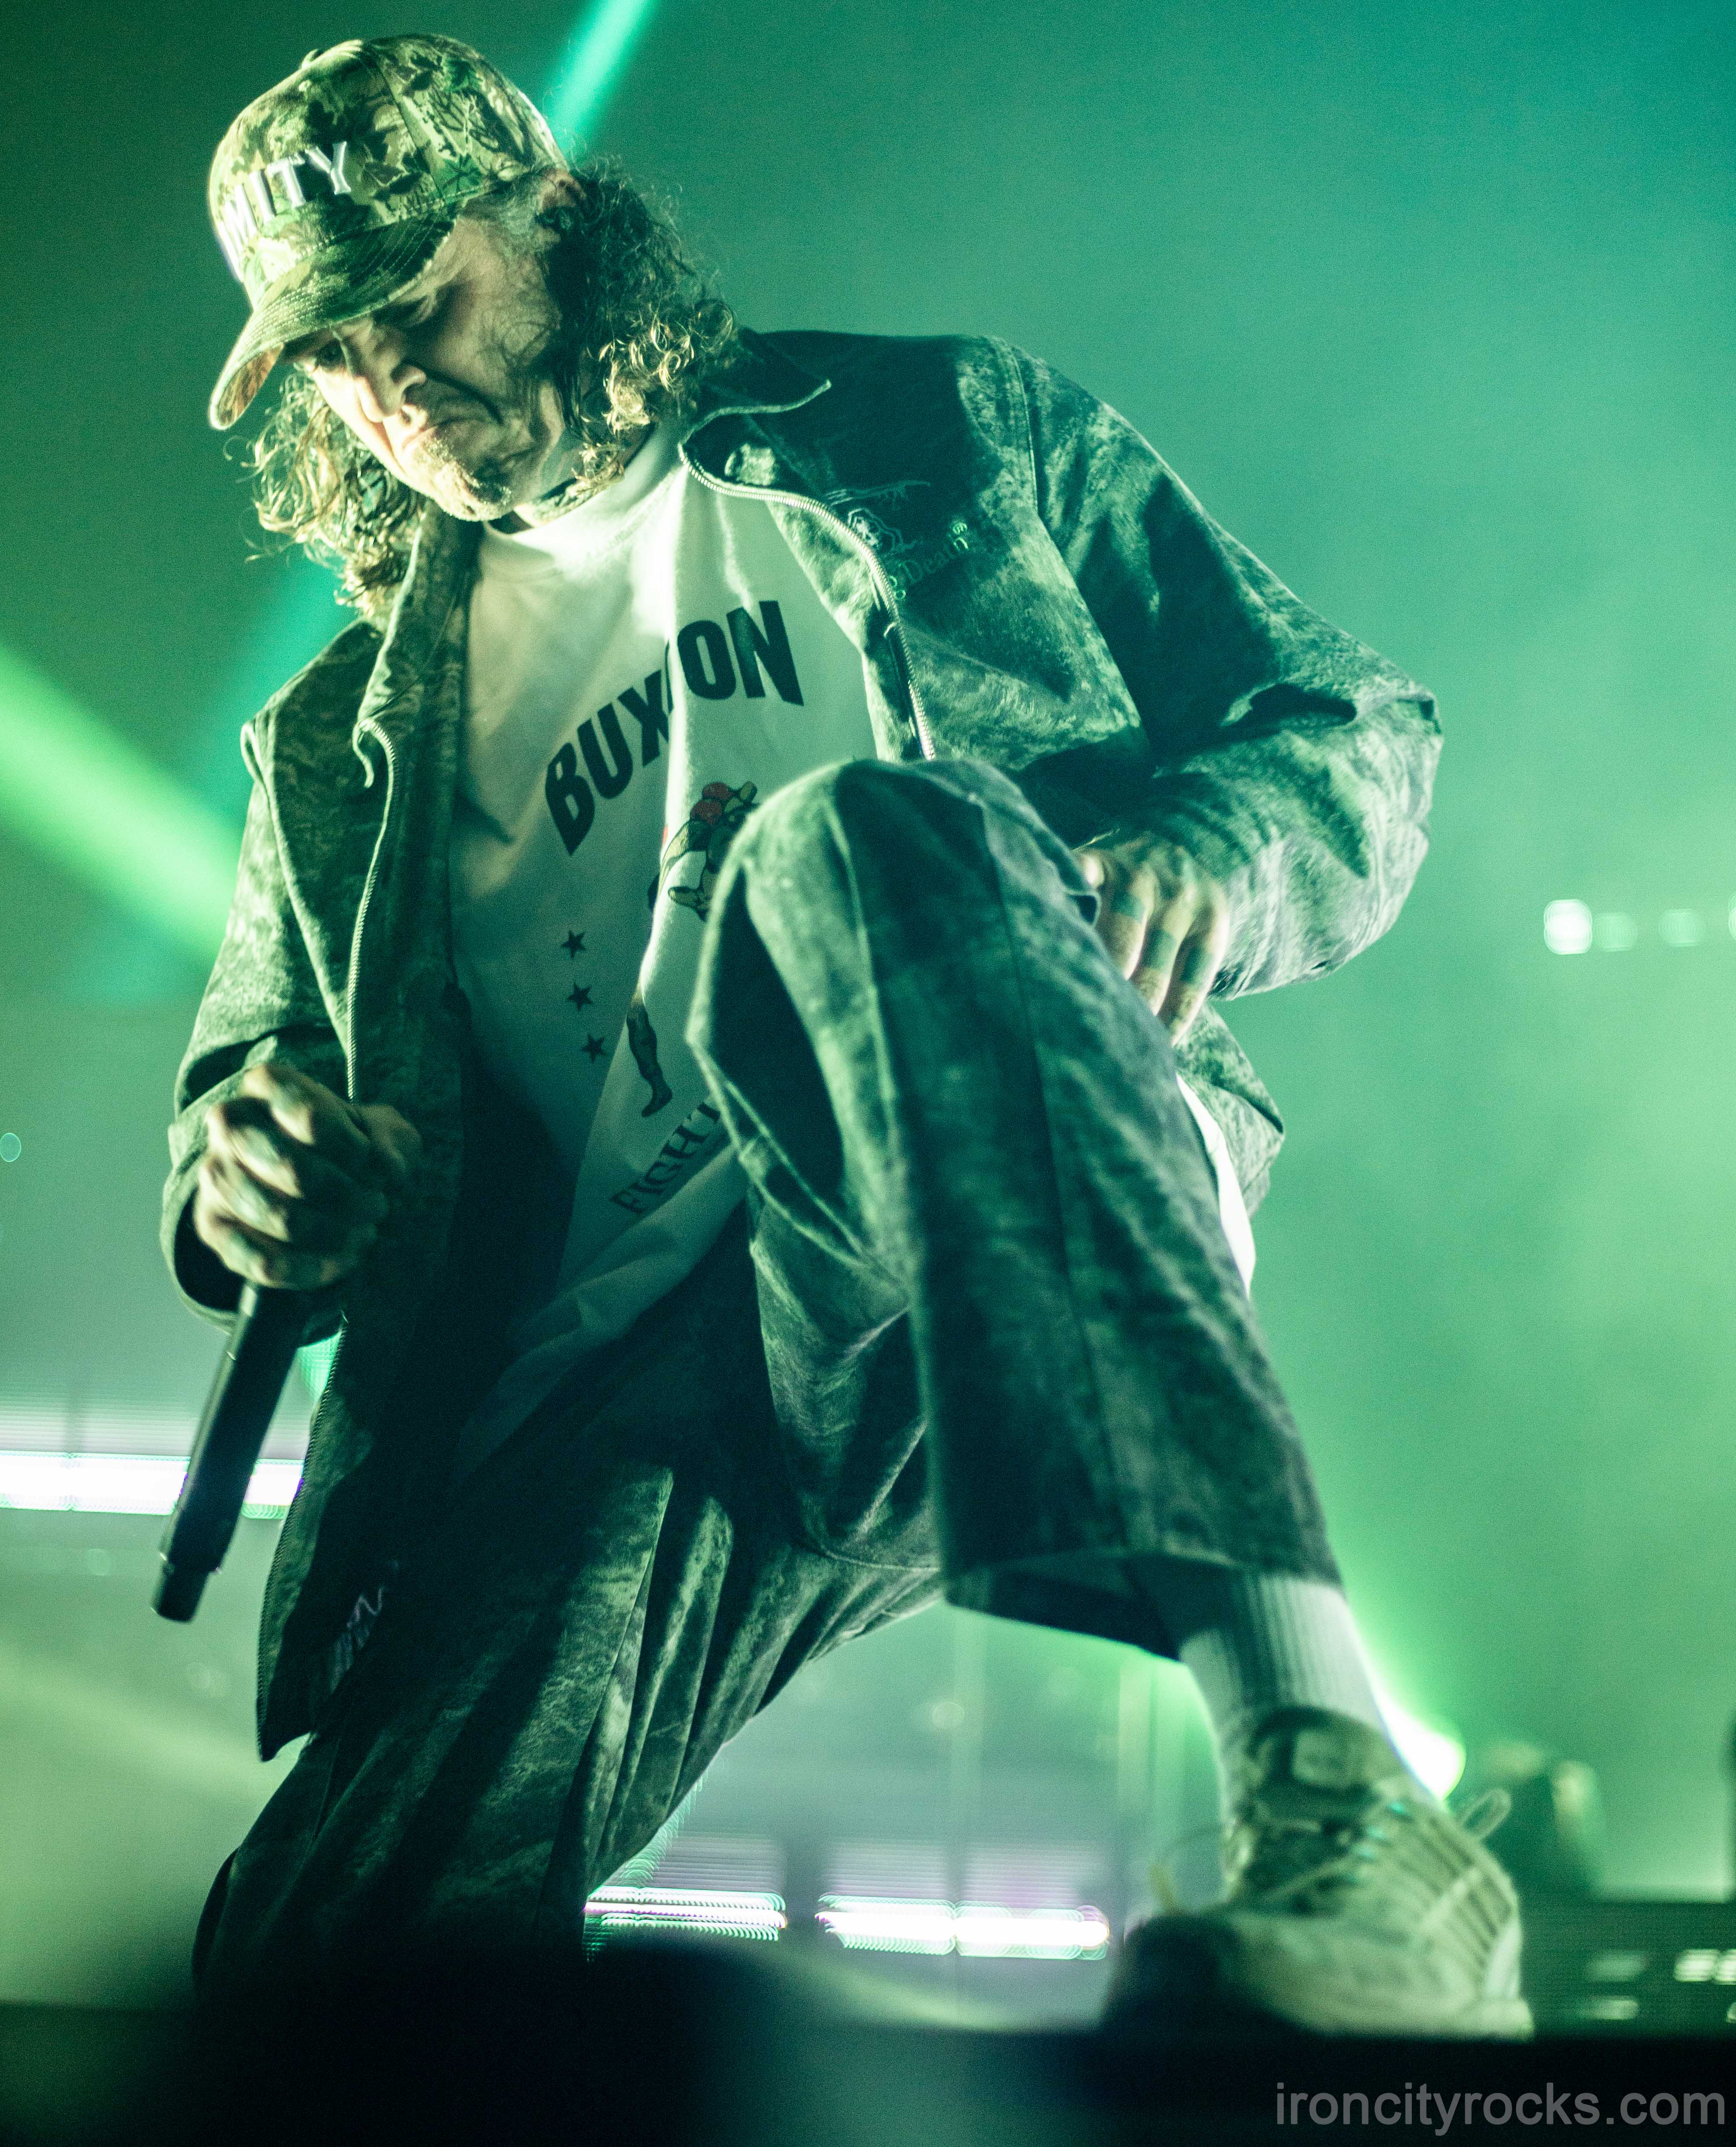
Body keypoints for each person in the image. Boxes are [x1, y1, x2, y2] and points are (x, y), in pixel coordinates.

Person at [164, 33, 1528, 2035]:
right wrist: (249, 1177)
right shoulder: (334, 750)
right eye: (336, 363)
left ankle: (1343, 1798)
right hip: (634, 1364)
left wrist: (1208, 857)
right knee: (306, 1982)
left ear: (557, 221)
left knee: (847, 844)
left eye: (421, 307)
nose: (395, 391)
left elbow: (1349, 726)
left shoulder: (938, 434)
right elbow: (247, 1081)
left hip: (963, 1189)